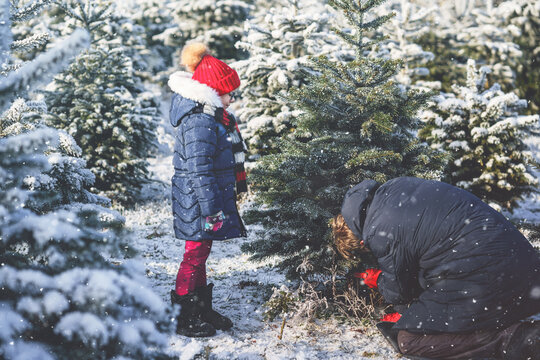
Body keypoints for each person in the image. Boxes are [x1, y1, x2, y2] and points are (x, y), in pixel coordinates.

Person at [332, 177, 540, 359]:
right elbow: (425, 257)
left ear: (360, 243)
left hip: (487, 276)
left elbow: (400, 291)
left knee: (409, 340)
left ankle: (515, 339)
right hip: (524, 269)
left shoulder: (379, 229)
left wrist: (380, 283)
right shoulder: (395, 187)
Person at [167, 43, 247, 337]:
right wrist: (212, 208)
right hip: (199, 202)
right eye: (227, 92)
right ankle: (183, 315)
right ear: (213, 91)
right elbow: (200, 170)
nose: (231, 98)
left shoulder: (212, 118)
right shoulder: (200, 122)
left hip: (201, 201)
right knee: (194, 255)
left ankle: (199, 308)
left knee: (201, 252)